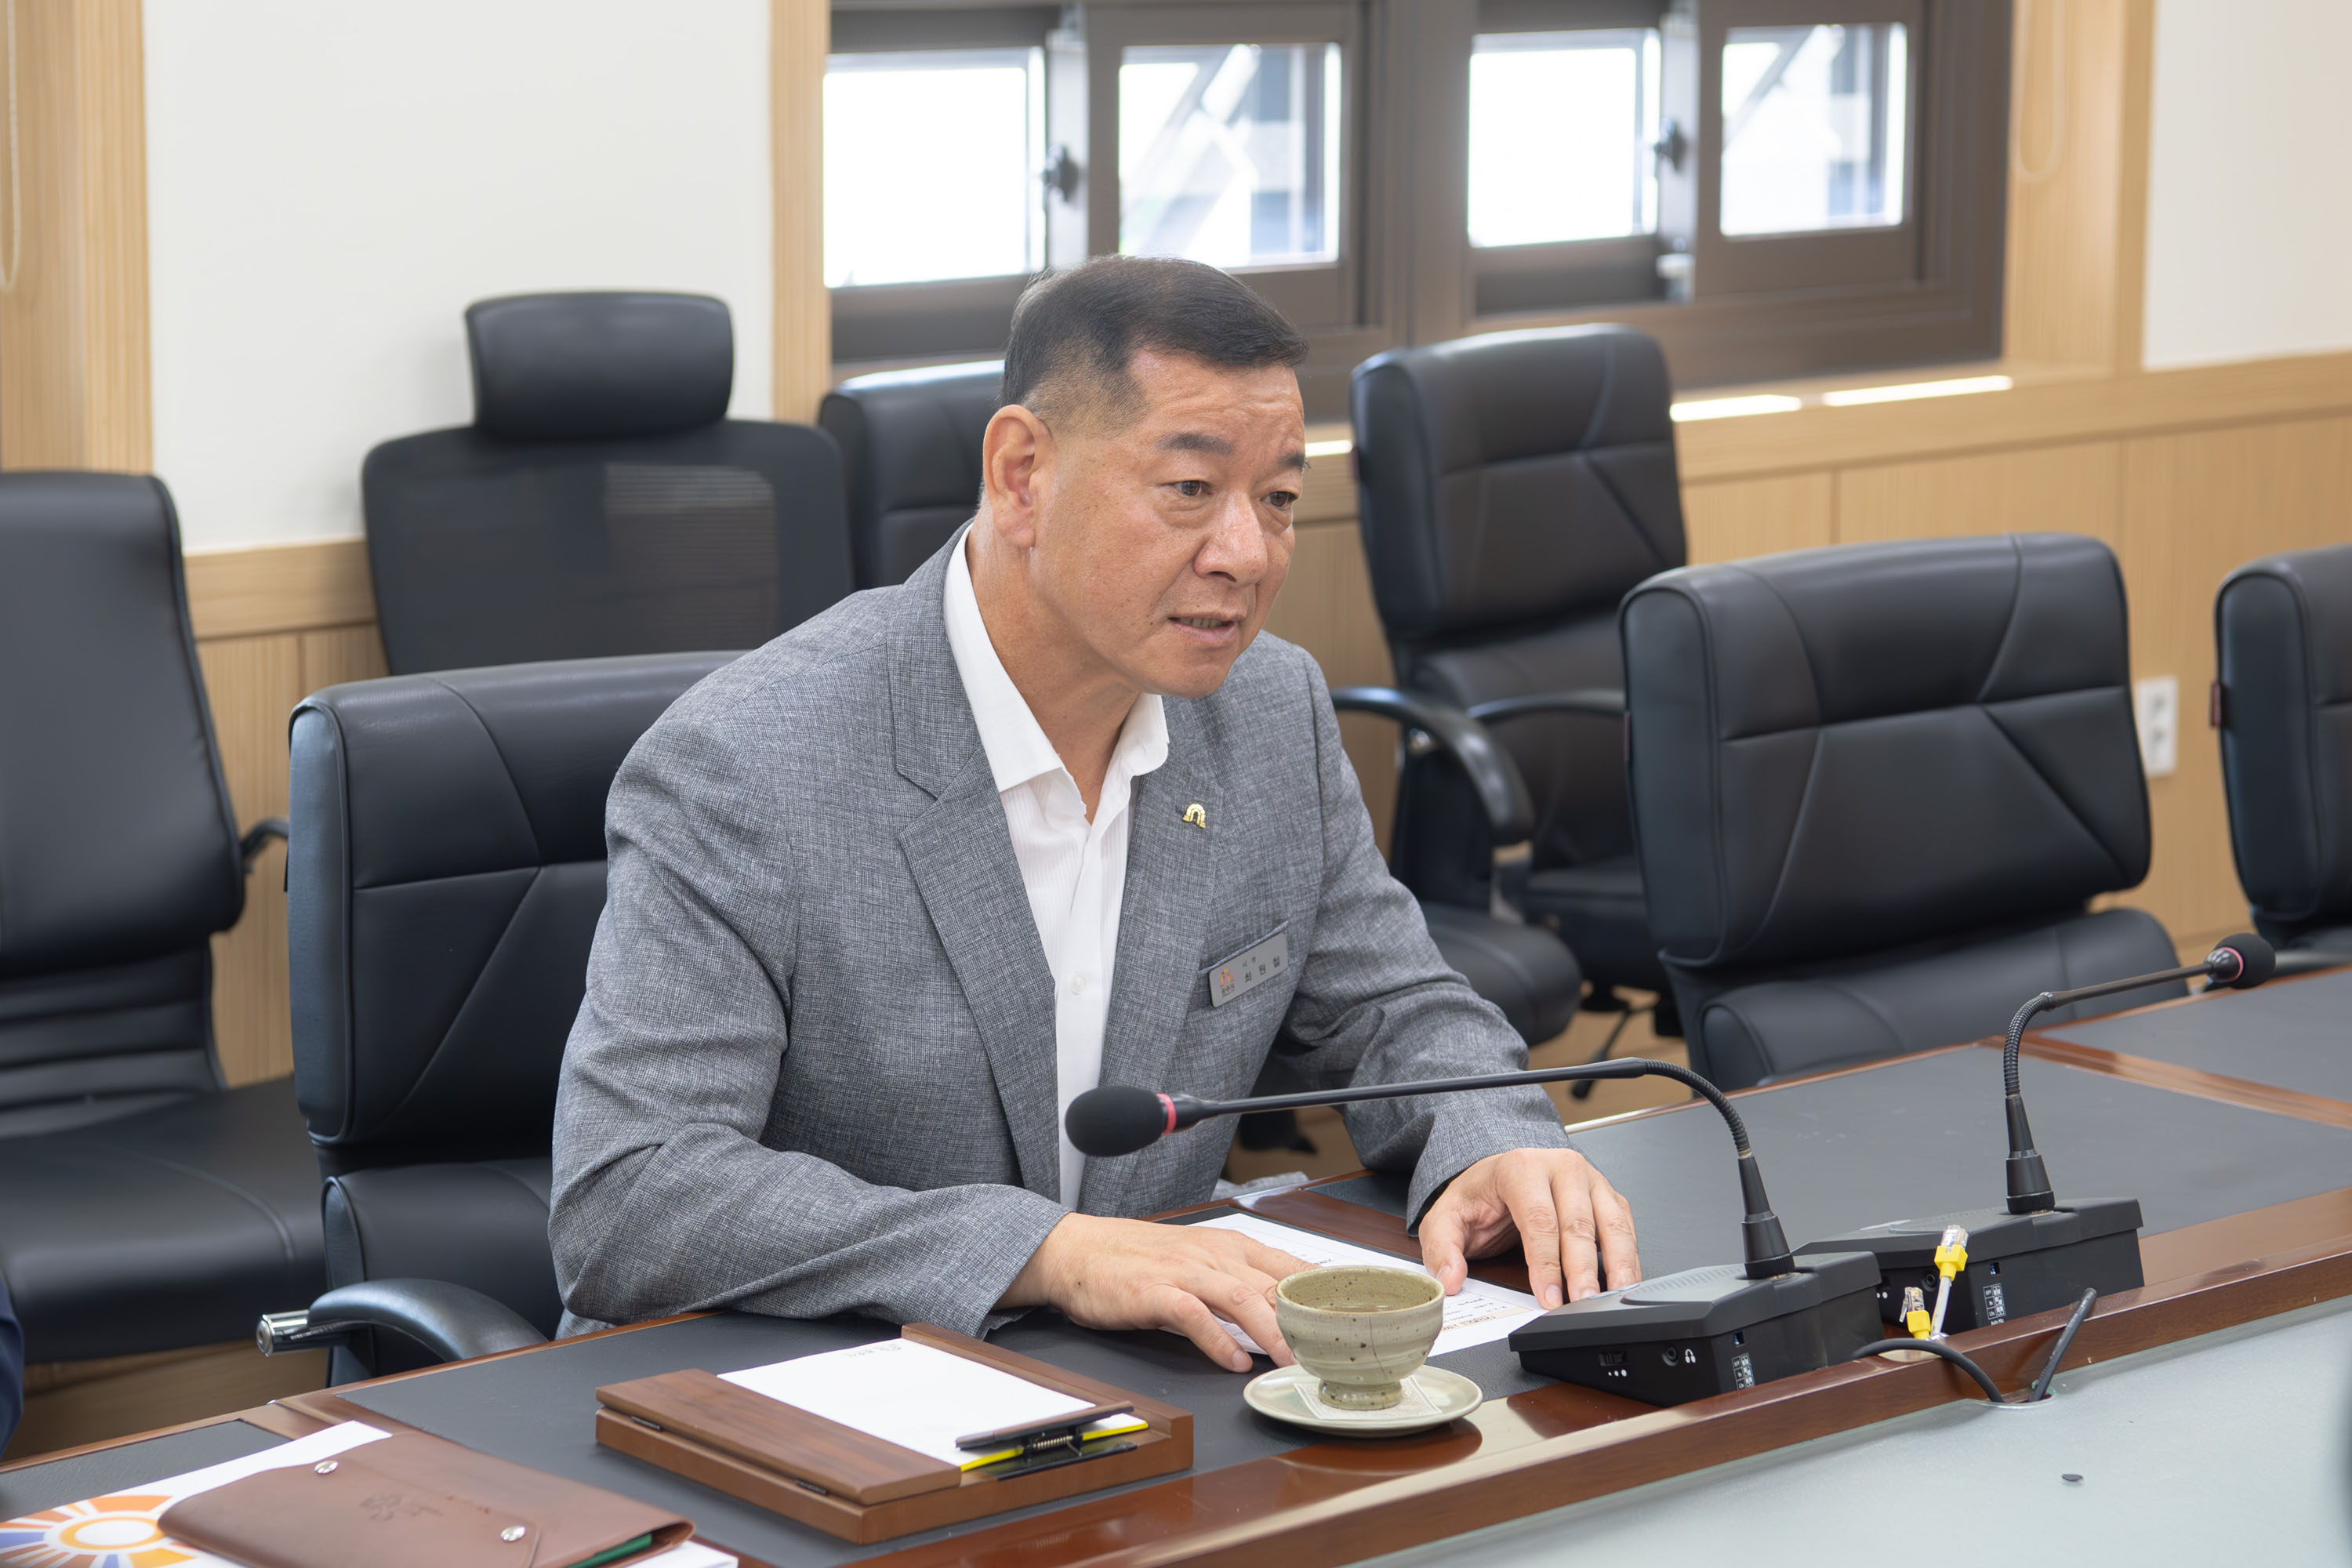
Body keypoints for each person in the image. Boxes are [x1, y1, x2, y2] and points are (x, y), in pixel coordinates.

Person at [550, 256, 1640, 1370]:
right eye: (1189, 489)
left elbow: (1395, 1007)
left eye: (1278, 500)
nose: (1247, 555)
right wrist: (1049, 1255)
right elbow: (630, 1192)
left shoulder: (1269, 711)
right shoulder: (748, 763)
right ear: (1022, 475)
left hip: (1139, 1388)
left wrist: (1489, 1142)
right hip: (797, 1392)